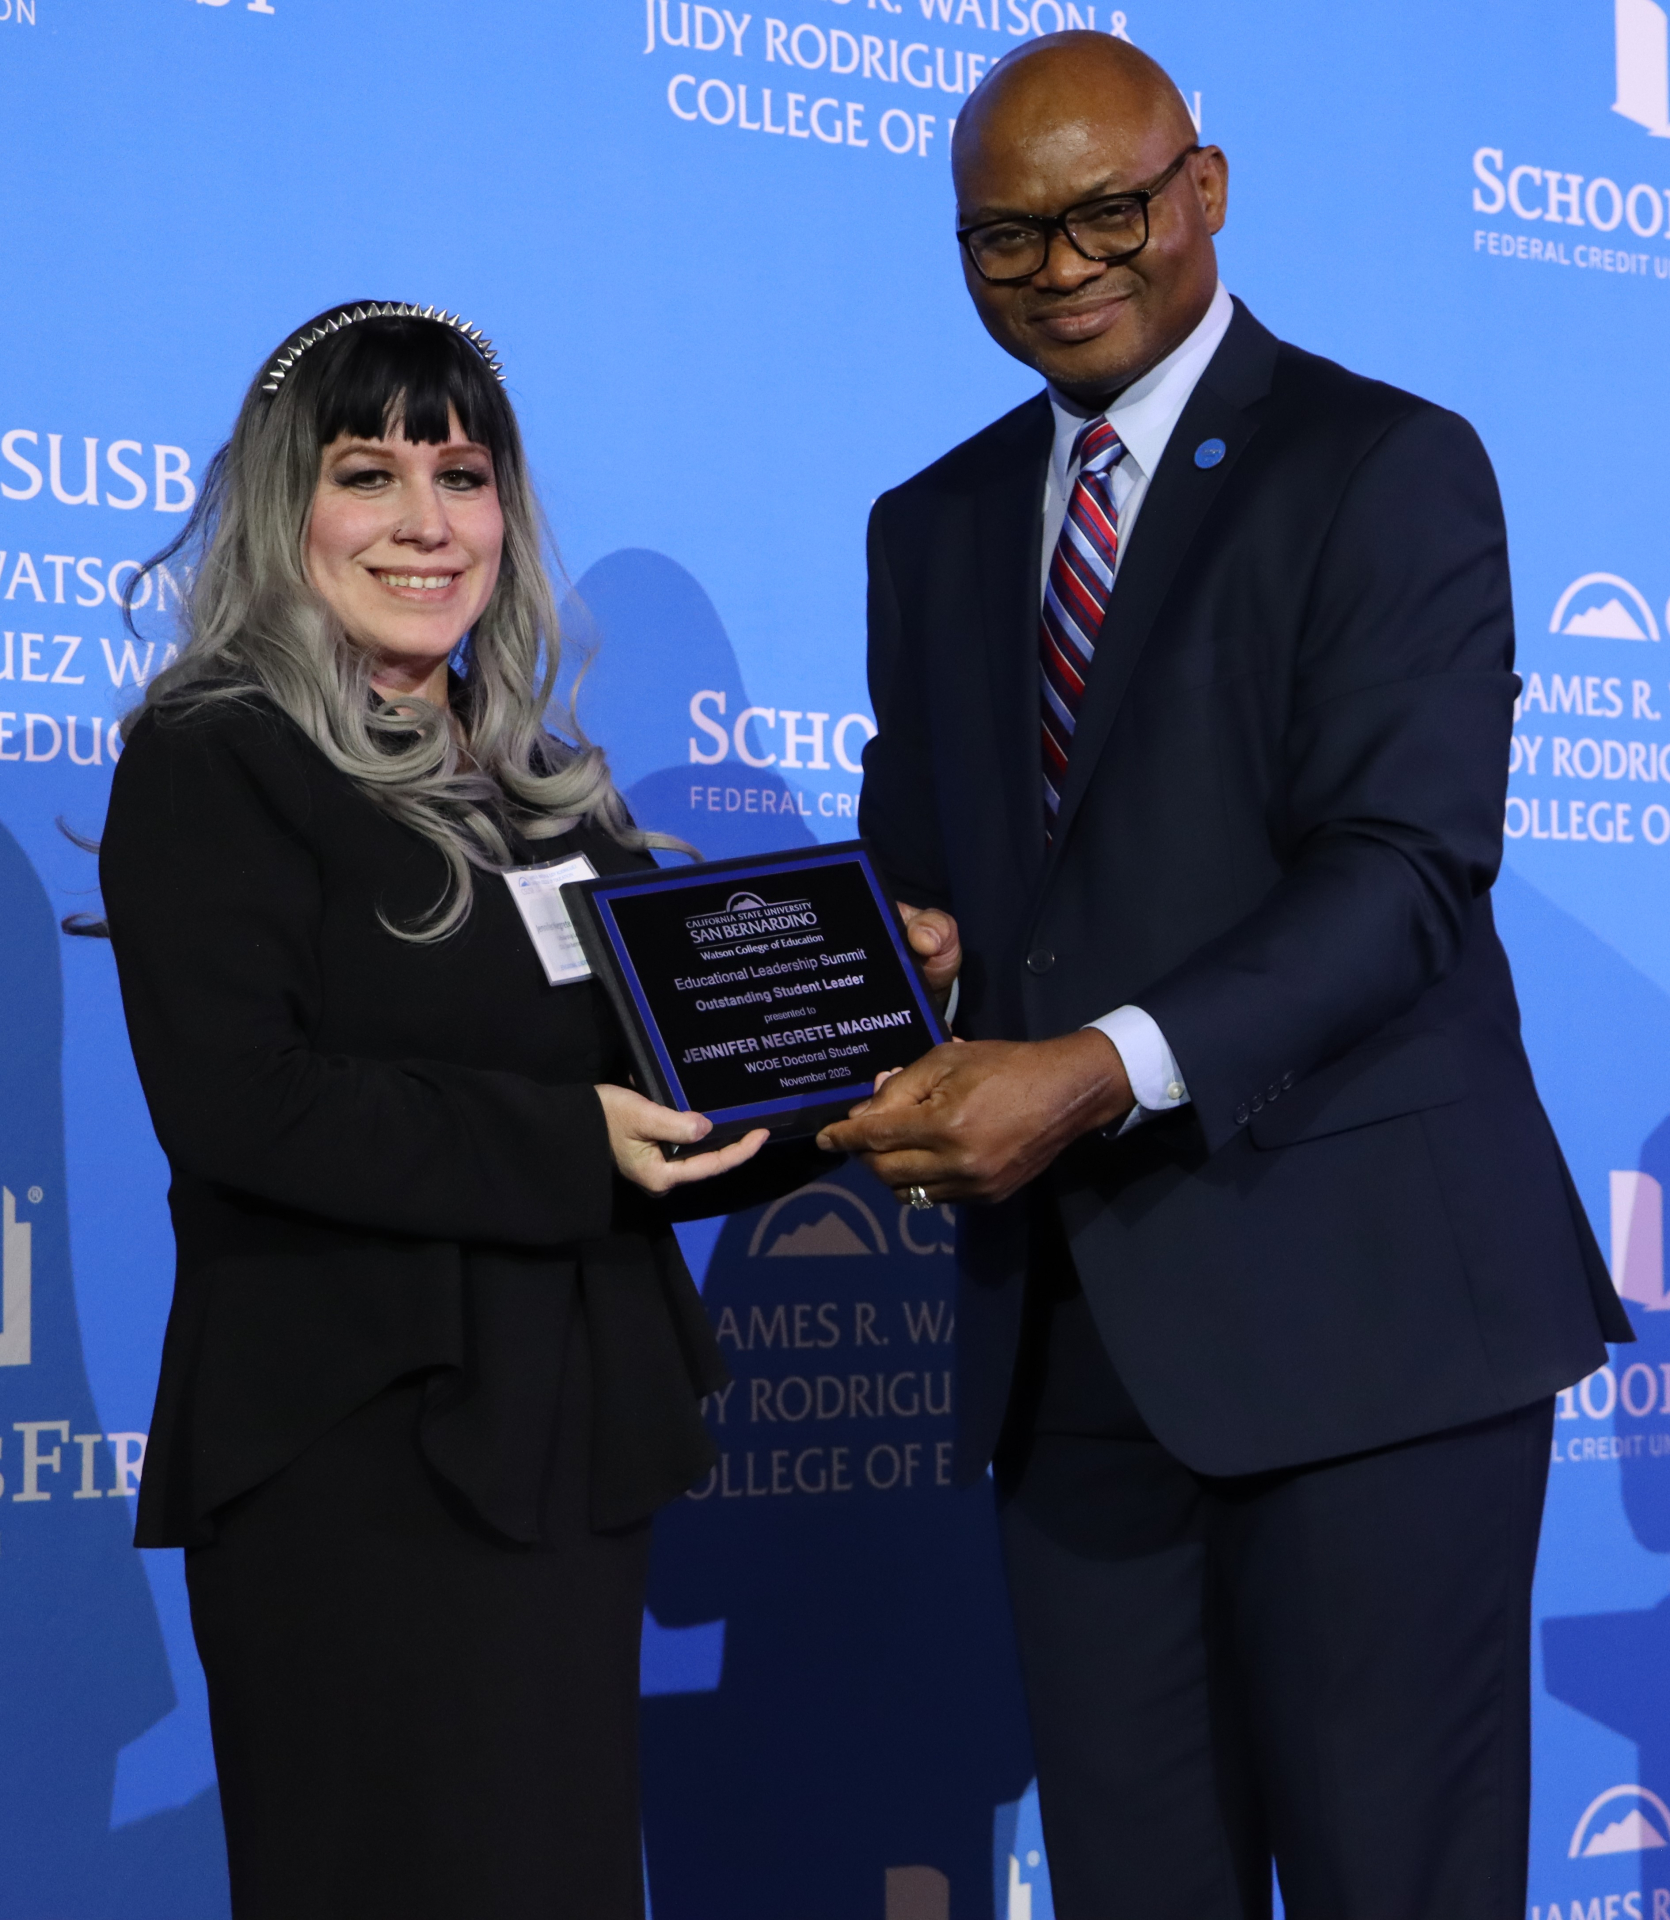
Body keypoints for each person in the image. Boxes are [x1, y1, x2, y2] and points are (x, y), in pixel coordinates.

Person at [821, 36, 1632, 1920]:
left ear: (1203, 190)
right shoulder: (927, 526)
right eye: (1002, 234)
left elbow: (1402, 877)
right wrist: (886, 961)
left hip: (1365, 1331)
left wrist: (1091, 1067)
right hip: (1071, 1347)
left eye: (1106, 208)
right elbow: (925, 877)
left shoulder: (1382, 465)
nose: (1061, 261)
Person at [98, 302, 816, 1920]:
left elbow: (681, 1107)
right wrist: (574, 1142)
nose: (429, 524)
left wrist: (876, 1038)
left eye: (465, 474)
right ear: (290, 510)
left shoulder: (550, 787)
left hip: (563, 1446)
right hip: (355, 1456)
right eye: (370, 473)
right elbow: (241, 1105)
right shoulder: (218, 758)